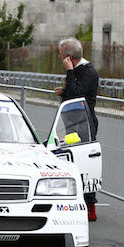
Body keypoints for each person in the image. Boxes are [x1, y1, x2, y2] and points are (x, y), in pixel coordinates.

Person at [53, 37, 100, 221]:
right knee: (70, 160)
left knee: (86, 162)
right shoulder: (76, 70)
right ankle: (74, 199)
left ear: (68, 57)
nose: (59, 57)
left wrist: (70, 73)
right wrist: (64, 92)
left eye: (61, 54)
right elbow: (73, 94)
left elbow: (77, 93)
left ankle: (90, 206)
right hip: (74, 122)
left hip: (85, 124)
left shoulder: (87, 71)